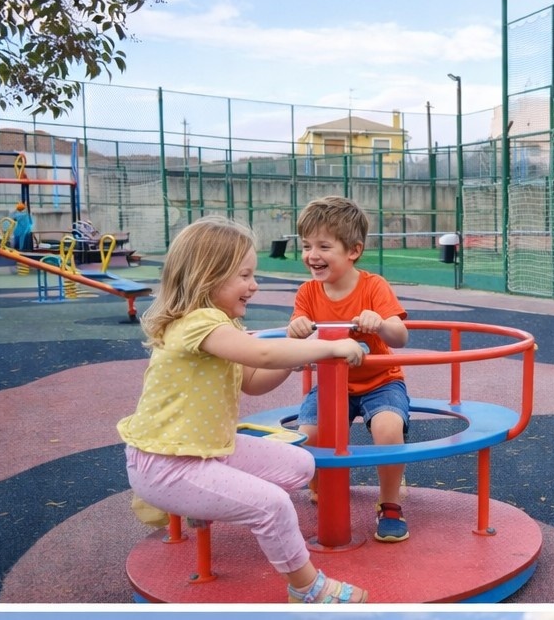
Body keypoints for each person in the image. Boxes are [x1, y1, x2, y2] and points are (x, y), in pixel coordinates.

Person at [116, 216, 368, 604]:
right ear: (207, 276)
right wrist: (329, 346)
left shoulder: (223, 325)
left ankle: (206, 501)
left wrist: (301, 357)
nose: (254, 285)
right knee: (272, 506)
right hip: (167, 463)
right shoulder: (198, 322)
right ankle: (307, 588)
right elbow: (262, 353)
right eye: (245, 275)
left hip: (205, 448)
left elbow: (253, 378)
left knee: (300, 465)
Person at [288, 196, 411, 542]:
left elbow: (400, 336)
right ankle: (320, 480)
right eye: (307, 246)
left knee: (388, 429)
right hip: (332, 382)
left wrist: (380, 324)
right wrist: (296, 330)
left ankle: (390, 503)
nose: (312, 255)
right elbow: (295, 340)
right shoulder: (308, 292)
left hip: (380, 382)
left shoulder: (373, 286)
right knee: (308, 436)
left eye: (324, 246)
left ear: (353, 251)